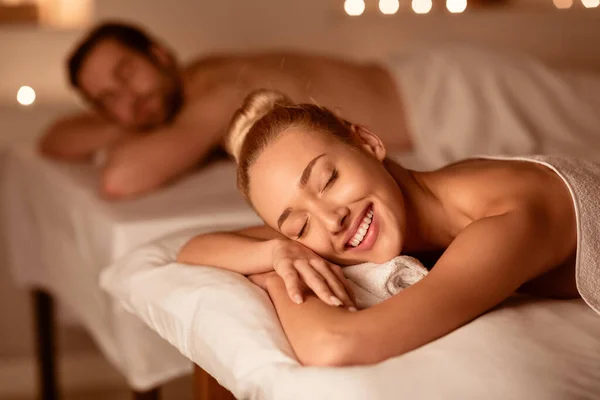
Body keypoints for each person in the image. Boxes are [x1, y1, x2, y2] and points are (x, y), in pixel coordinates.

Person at [177, 89, 600, 367]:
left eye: (328, 180)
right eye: (299, 226)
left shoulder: (504, 220)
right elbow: (193, 248)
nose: (331, 220)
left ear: (368, 143)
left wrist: (274, 281)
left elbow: (336, 345)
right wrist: (274, 253)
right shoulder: (420, 204)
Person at [40, 21, 600, 200]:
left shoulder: (212, 92)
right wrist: (129, 110)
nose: (127, 99)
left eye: (127, 76)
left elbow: (120, 178)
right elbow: (53, 140)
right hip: (430, 87)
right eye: (106, 98)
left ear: (158, 56)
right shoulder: (179, 90)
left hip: (453, 94)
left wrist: (124, 118)